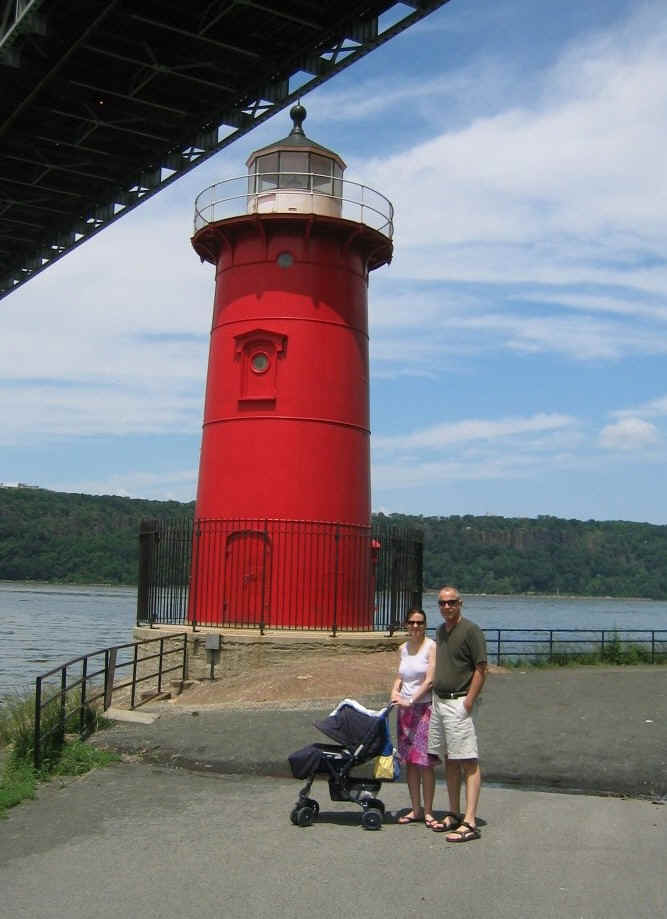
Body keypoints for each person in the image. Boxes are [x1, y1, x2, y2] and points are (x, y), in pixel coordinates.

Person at [428, 586, 487, 842]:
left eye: (451, 602)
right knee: (450, 759)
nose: (447, 607)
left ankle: (470, 821)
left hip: (459, 702)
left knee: (468, 760)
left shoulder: (471, 631)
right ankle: (453, 812)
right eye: (442, 603)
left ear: (460, 603)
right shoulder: (441, 631)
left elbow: (481, 668)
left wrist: (469, 701)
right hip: (440, 702)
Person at [391, 607, 439, 826]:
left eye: (419, 623)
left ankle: (428, 811)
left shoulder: (431, 646)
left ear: (425, 625)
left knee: (425, 762)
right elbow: (400, 676)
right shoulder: (403, 648)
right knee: (410, 761)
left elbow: (429, 680)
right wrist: (394, 691)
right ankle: (415, 808)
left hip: (424, 708)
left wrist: (411, 700)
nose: (415, 626)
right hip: (404, 711)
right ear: (406, 624)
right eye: (412, 622)